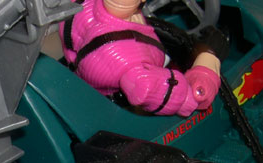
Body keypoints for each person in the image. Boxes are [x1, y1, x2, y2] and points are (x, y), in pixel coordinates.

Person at [60, 0, 221, 116]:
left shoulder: (86, 7)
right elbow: (149, 88)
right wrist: (206, 68)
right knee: (211, 46)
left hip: (89, 81)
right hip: (121, 107)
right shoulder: (121, 57)